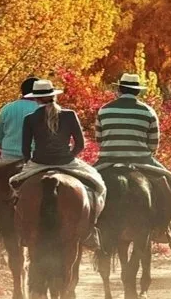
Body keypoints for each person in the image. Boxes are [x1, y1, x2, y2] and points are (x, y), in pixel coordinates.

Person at [10, 79, 108, 251]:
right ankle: (91, 231)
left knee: (15, 188)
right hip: (67, 162)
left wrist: (29, 163)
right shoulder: (69, 115)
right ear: (53, 95)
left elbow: (25, 149)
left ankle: (24, 232)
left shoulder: (30, 118)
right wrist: (67, 157)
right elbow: (80, 145)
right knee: (99, 186)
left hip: (38, 163)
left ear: (36, 99)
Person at [93, 73, 171, 244]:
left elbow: (99, 139)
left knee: (87, 187)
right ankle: (162, 228)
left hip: (107, 160)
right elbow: (153, 144)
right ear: (137, 92)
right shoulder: (148, 111)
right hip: (142, 160)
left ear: (119, 89)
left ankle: (90, 229)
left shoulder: (105, 109)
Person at [0, 76, 40, 236]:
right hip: (37, 160)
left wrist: (4, 147)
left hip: (8, 158)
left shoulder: (8, 108)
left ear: (22, 91)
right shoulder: (45, 108)